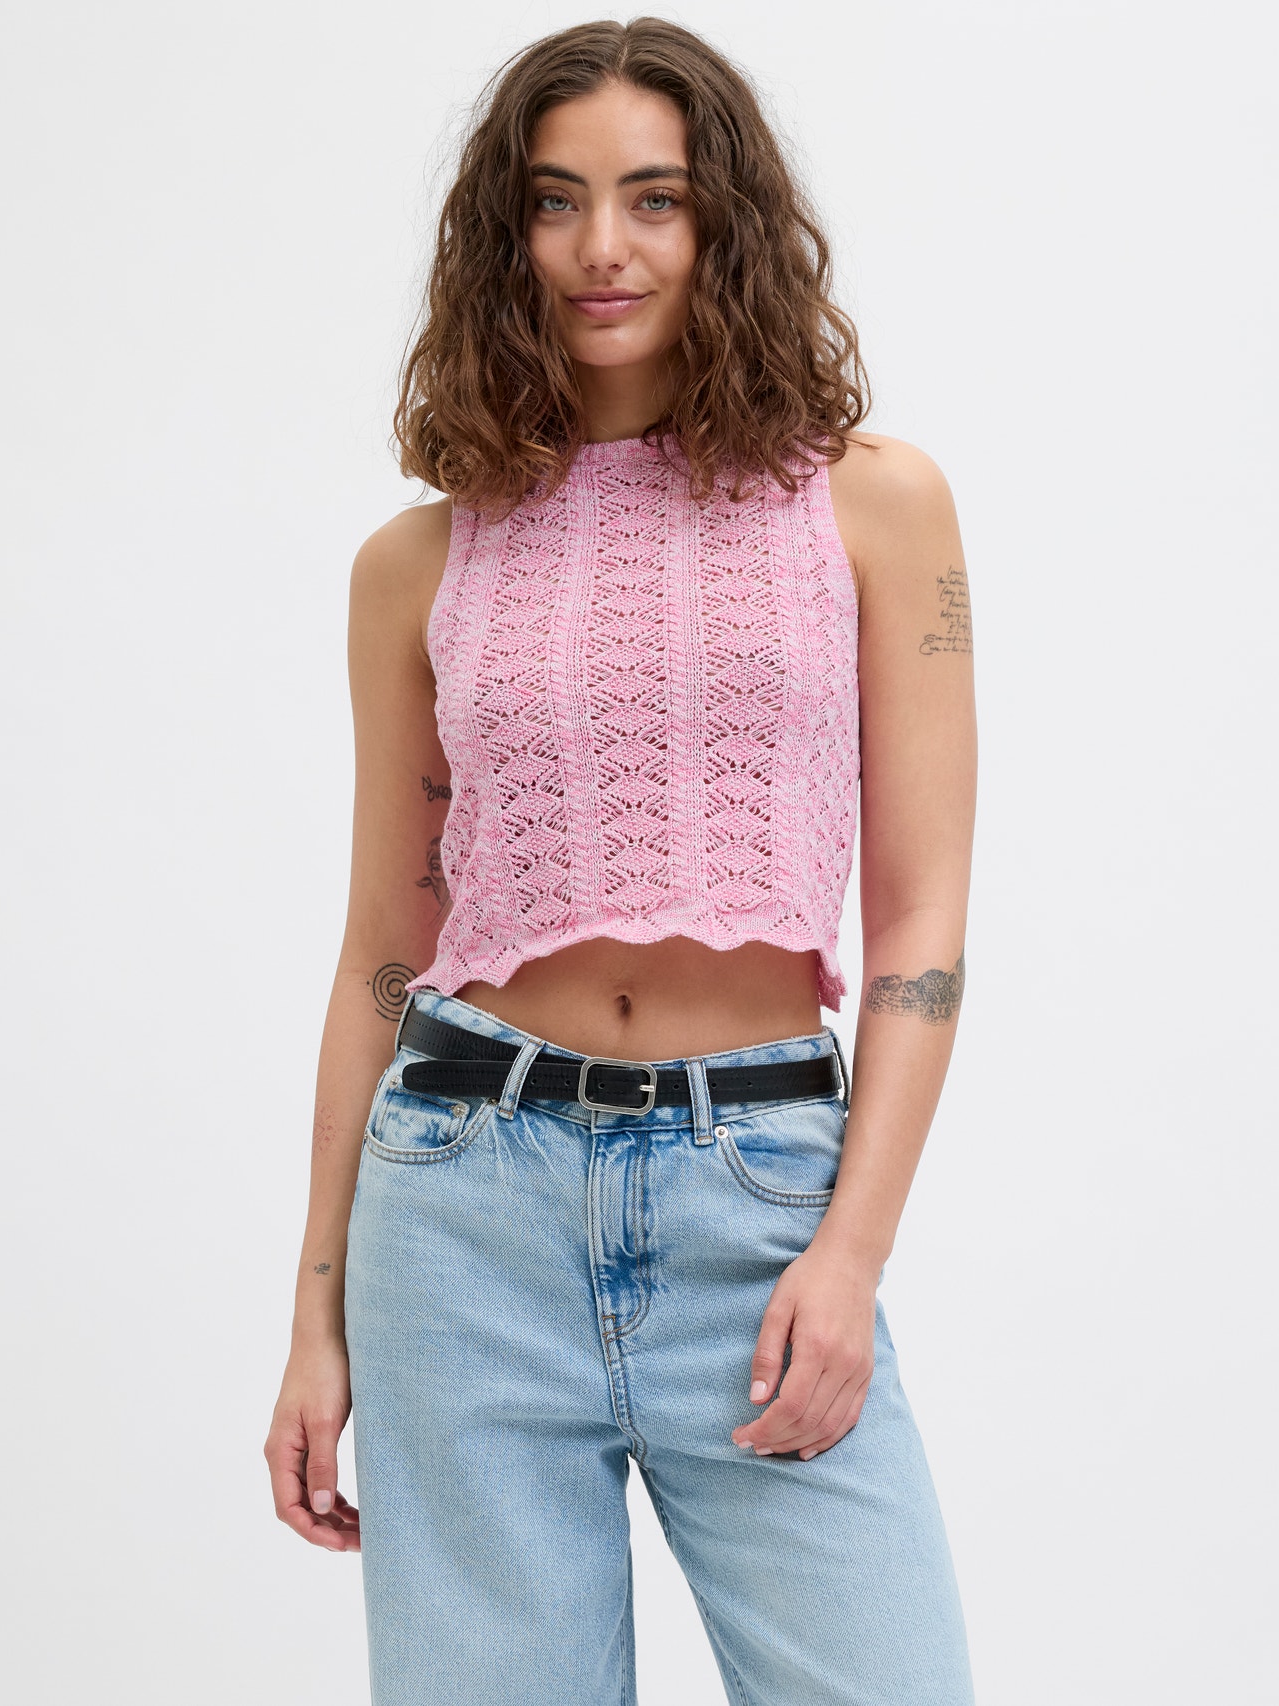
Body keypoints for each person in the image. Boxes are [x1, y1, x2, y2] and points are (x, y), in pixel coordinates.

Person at [264, 17, 977, 1705]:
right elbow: (382, 949)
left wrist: (852, 1251)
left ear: (723, 219)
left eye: (654, 198)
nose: (603, 246)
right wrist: (315, 1315)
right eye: (555, 200)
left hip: (762, 1197)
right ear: (502, 235)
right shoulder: (414, 563)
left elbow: (920, 915)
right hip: (463, 1204)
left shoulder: (874, 505)